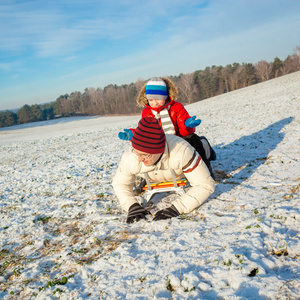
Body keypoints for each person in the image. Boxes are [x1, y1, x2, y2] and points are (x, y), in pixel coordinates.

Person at [113, 117, 215, 223]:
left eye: (145, 155)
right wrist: (131, 205)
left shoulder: (182, 151)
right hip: (152, 176)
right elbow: (120, 183)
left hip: (178, 173)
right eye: (137, 153)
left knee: (199, 146)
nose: (139, 159)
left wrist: (177, 208)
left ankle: (206, 146)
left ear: (159, 150)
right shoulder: (131, 157)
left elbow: (205, 184)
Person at [118, 77, 216, 179]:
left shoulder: (176, 107)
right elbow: (144, 131)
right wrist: (133, 134)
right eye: (151, 100)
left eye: (158, 99)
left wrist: (187, 125)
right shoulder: (146, 112)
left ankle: (206, 168)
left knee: (194, 141)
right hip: (158, 143)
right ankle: (147, 177)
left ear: (165, 96)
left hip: (179, 138)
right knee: (143, 151)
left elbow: (184, 128)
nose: (154, 103)